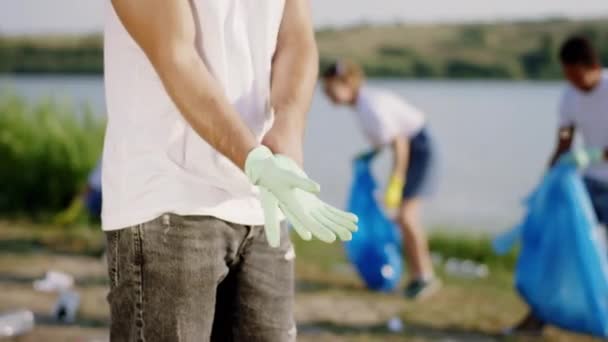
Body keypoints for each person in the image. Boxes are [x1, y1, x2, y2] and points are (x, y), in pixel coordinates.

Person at [102, 1, 358, 341]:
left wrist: (287, 133)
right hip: (169, 196)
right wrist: (253, 160)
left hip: (262, 204)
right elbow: (175, 53)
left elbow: (296, 38)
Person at [510, 36, 608, 335]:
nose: (572, 81)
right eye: (566, 75)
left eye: (575, 75)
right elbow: (564, 141)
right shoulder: (569, 97)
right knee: (558, 243)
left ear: (591, 66)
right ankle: (540, 314)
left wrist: (598, 153)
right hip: (590, 182)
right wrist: (548, 179)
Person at [321, 60, 440, 300]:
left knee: (407, 216)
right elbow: (385, 140)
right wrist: (370, 156)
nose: (327, 95)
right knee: (402, 217)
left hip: (419, 149)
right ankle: (418, 275)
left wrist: (396, 182)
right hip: (413, 149)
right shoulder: (362, 105)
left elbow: (400, 143)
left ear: (347, 83)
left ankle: (425, 277)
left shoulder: (370, 106)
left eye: (330, 89)